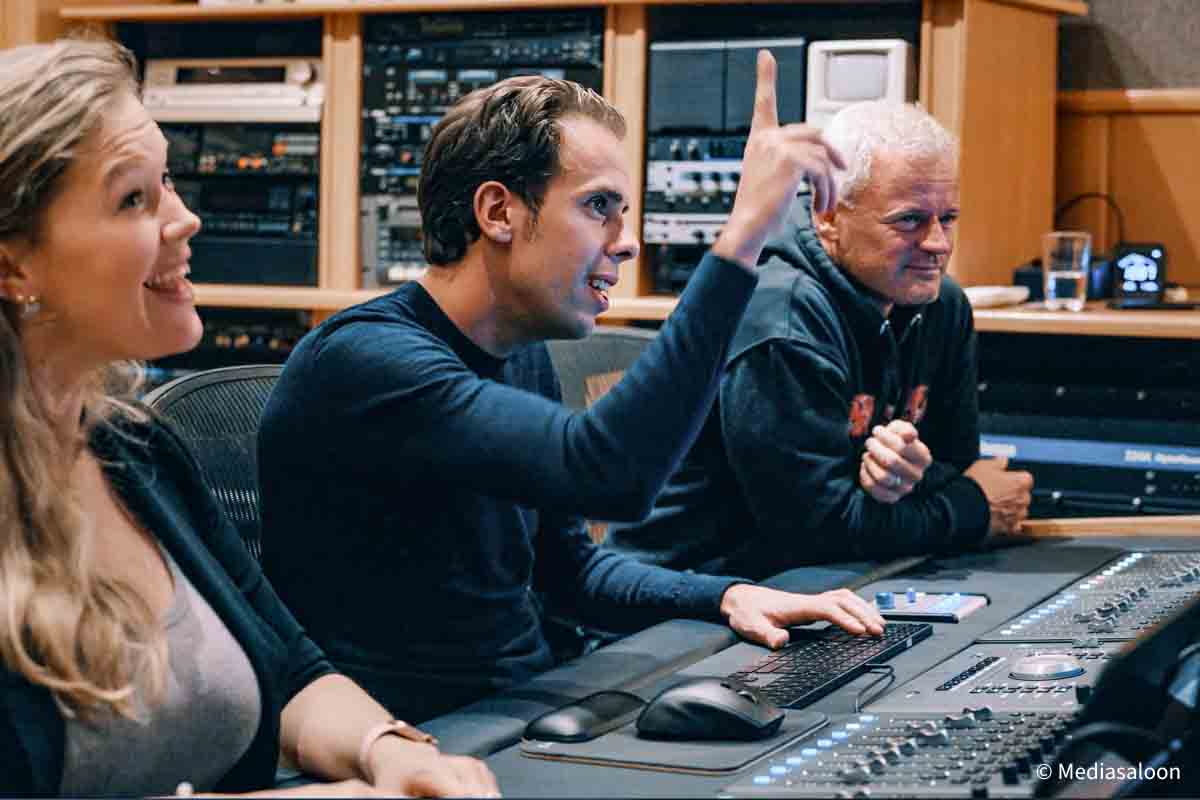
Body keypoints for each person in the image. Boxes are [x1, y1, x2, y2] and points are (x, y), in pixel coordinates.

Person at [258, 53, 886, 724]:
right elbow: (609, 474)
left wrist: (728, 596)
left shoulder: (518, 350)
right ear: (498, 211)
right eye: (598, 207)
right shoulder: (366, 363)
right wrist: (742, 238)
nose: (628, 243)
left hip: (519, 708)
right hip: (416, 739)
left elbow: (569, 571)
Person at [0, 38, 496, 797]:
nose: (185, 219)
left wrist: (390, 752)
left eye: (168, 181)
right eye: (133, 199)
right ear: (13, 265)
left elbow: (291, 668)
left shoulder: (135, 452)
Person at [605, 101, 1034, 580]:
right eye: (910, 220)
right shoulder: (782, 319)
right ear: (828, 214)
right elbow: (818, 532)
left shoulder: (942, 306)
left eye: (948, 218)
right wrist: (972, 508)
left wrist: (912, 478)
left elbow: (955, 465)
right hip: (695, 589)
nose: (938, 243)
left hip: (826, 574)